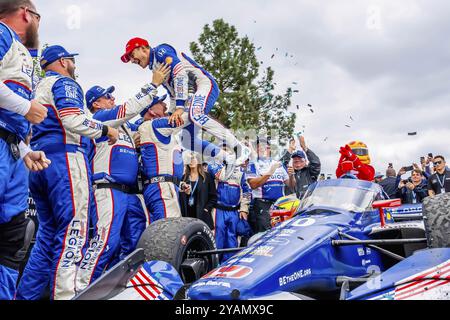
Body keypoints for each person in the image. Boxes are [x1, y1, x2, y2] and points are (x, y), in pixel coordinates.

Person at [16, 45, 119, 300]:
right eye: (72, 60)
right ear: (63, 61)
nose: (74, 65)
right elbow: (73, 118)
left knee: (46, 238)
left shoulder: (35, 87)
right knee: (74, 231)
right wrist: (106, 131)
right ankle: (66, 296)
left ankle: (25, 297)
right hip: (65, 160)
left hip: (39, 161)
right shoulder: (65, 82)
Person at [76, 64, 171, 291]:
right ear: (96, 103)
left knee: (135, 244)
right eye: (107, 96)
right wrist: (153, 84)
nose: (112, 98)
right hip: (107, 188)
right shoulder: (102, 117)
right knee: (106, 242)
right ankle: (81, 289)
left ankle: (120, 290)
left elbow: (150, 122)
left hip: (130, 194)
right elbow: (128, 109)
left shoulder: (127, 128)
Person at [120, 37, 250, 167]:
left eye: (132, 55)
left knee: (196, 114)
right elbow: (172, 93)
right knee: (188, 141)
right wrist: (171, 112)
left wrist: (180, 107)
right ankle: (227, 158)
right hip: (190, 96)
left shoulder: (160, 51)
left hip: (203, 84)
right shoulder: (155, 69)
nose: (132, 60)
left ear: (143, 48)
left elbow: (180, 73)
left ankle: (239, 147)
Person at [0, 0, 52, 300]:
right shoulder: (4, 33)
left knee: (12, 240)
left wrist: (23, 149)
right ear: (25, 13)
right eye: (37, 16)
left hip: (12, 150)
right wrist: (26, 106)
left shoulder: (23, 53)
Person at [208, 145, 251, 262]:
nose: (225, 153)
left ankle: (229, 266)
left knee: (232, 241)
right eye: (223, 151)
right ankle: (214, 265)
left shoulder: (240, 172)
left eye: (228, 151)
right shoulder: (214, 166)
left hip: (234, 212)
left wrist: (244, 209)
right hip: (218, 211)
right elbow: (220, 177)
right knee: (218, 239)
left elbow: (247, 191)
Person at [246, 137, 295, 233]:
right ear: (256, 150)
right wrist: (270, 172)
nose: (264, 150)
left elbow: (290, 185)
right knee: (265, 234)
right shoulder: (251, 164)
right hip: (263, 205)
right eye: (260, 147)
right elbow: (253, 185)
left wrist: (292, 175)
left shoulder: (279, 164)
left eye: (266, 147)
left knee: (281, 232)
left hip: (280, 204)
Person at [179, 152, 217, 229]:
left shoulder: (207, 177)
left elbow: (213, 197)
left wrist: (206, 209)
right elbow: (180, 197)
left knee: (202, 240)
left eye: (193, 158)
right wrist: (186, 194)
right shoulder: (184, 178)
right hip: (188, 216)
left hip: (202, 216)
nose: (191, 161)